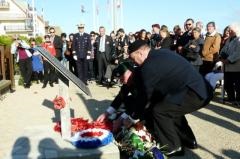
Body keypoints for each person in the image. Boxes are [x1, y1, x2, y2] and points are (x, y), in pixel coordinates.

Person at [128, 40, 213, 157]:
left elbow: (145, 95)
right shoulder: (161, 53)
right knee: (171, 108)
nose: (135, 63)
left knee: (160, 111)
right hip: (197, 88)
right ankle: (188, 140)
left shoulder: (149, 65)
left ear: (140, 53)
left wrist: (133, 118)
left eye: (133, 59)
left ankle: (173, 146)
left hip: (194, 92)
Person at [97, 61, 147, 132]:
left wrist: (121, 119)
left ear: (130, 72)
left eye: (122, 78)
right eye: (120, 79)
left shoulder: (141, 79)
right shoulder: (128, 80)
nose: (121, 81)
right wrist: (106, 113)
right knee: (127, 100)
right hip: (138, 101)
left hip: (149, 104)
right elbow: (120, 97)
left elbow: (140, 102)